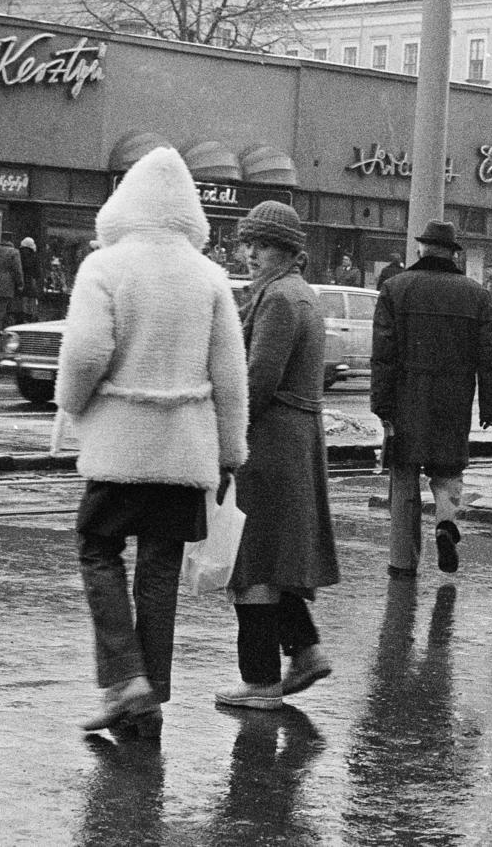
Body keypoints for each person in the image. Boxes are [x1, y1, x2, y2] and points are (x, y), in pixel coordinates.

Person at [55, 146, 249, 739]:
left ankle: (123, 677)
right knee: (160, 570)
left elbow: (86, 354)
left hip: (121, 443)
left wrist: (72, 404)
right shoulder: (210, 276)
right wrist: (229, 452)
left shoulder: (105, 267)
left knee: (98, 549)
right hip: (184, 447)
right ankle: (152, 695)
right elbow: (230, 374)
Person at [216, 201, 341, 710]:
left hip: (269, 442)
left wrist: (226, 435)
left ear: (287, 250)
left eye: (261, 244)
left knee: (254, 561)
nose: (249, 253)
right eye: (247, 243)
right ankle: (306, 652)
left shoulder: (280, 300)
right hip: (291, 439)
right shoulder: (294, 293)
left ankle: (261, 679)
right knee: (276, 556)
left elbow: (258, 381)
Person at [372, 220, 492, 577]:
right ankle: (445, 522)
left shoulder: (394, 289)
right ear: (453, 254)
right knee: (447, 472)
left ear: (421, 248)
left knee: (404, 476)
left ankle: (402, 561)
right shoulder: (477, 295)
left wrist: (381, 406)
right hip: (454, 399)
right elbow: (490, 357)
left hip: (405, 399)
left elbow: (383, 354)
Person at [0, 234, 25, 332]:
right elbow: (17, 269)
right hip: (8, 281)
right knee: (2, 306)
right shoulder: (14, 252)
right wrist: (20, 283)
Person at [19, 237, 42, 320]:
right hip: (31, 281)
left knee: (22, 300)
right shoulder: (34, 256)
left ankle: (22, 317)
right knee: (31, 300)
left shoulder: (18, 254)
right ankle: (30, 317)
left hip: (20, 281)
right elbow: (38, 272)